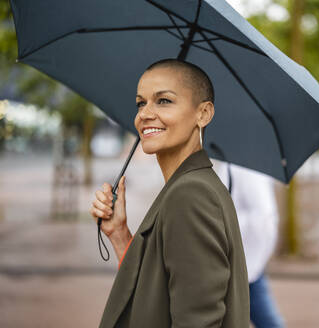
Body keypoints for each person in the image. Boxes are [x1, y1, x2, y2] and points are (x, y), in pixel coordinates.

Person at [89, 58, 250, 328]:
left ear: (203, 114)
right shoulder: (190, 185)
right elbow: (155, 293)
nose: (145, 114)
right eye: (141, 103)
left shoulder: (191, 194)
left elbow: (198, 321)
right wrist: (119, 234)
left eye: (163, 101)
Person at [212, 161, 285, 328]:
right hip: (242, 261)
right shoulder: (235, 164)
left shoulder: (245, 167)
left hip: (241, 262)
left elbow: (263, 217)